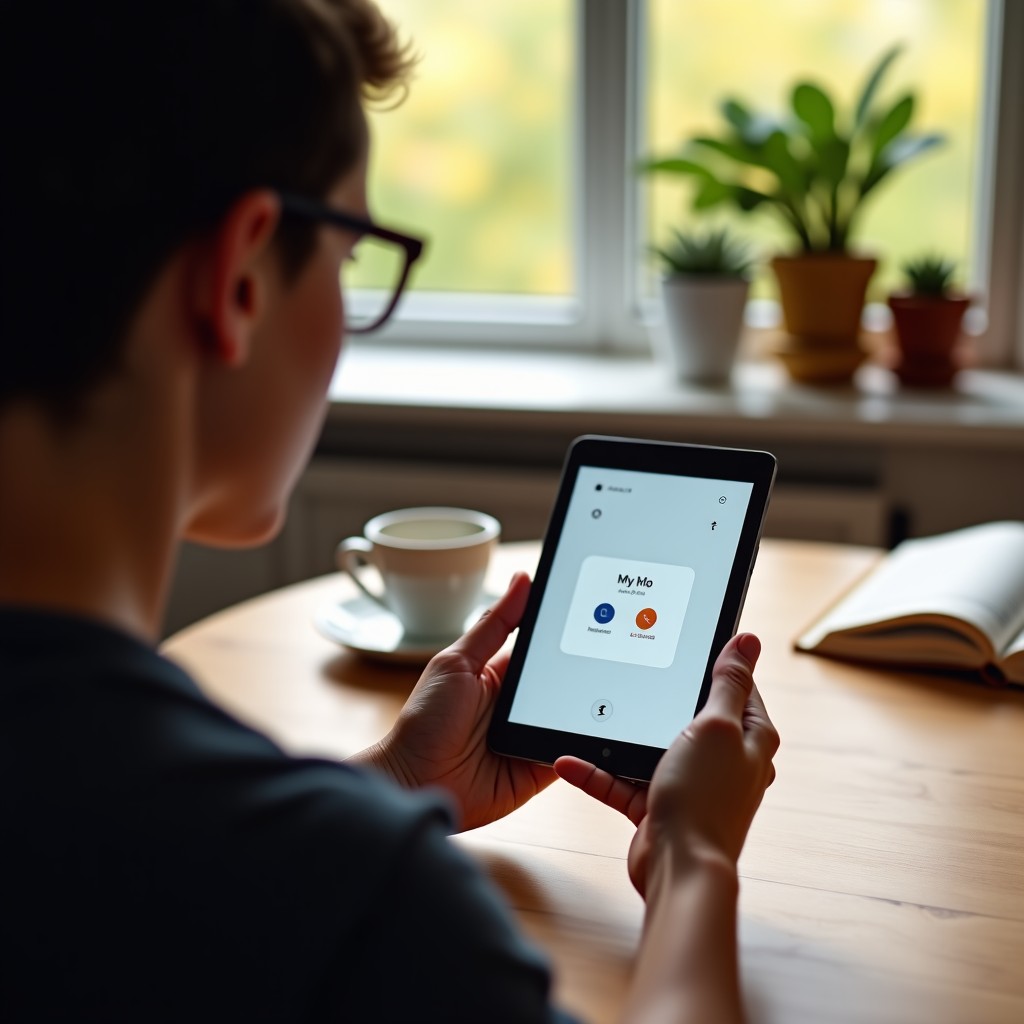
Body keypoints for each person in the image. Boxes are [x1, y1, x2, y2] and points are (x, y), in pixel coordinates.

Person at [0, 1, 779, 1021]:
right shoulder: (368, 915)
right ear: (237, 280)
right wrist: (694, 858)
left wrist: (395, 779)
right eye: (349, 261)